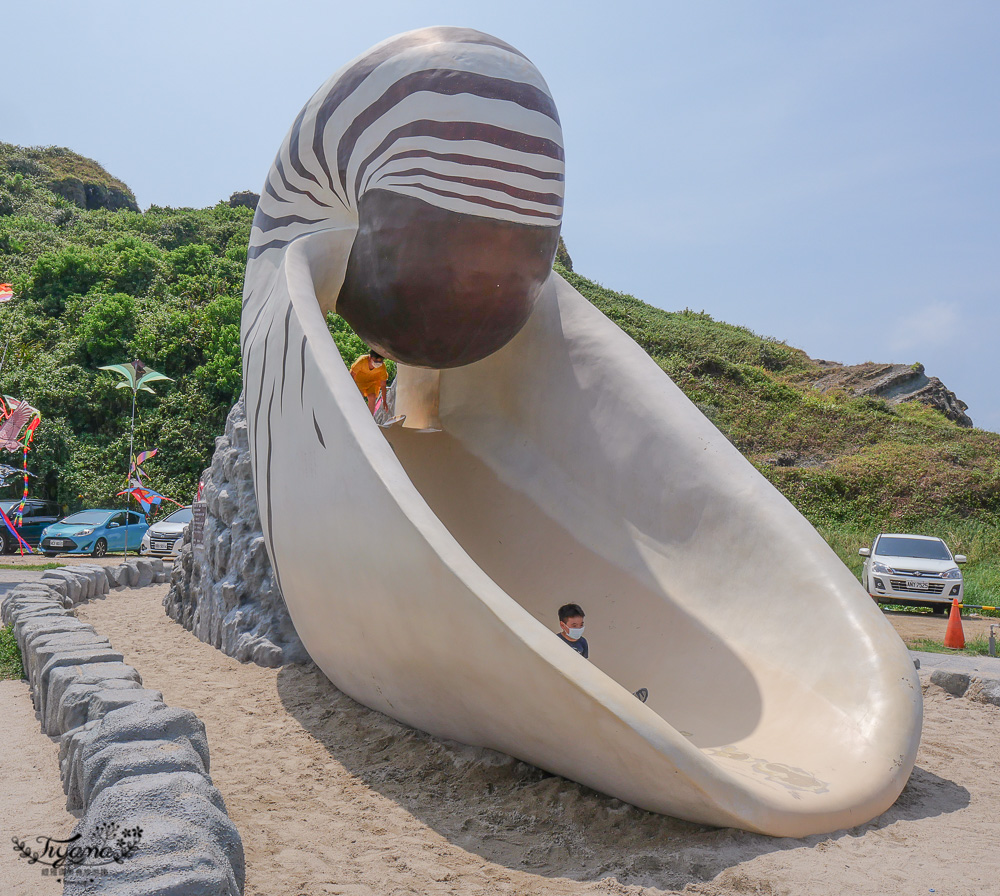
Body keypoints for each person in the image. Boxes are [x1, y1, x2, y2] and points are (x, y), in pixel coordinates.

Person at [555, 602, 648, 703]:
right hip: (564, 679)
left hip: (580, 676)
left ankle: (628, 701)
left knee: (603, 683)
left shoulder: (582, 642)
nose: (578, 629)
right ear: (563, 625)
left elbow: (584, 663)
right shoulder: (556, 640)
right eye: (574, 625)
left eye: (581, 625)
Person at [349, 349, 389, 416]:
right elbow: (352, 374)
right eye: (375, 361)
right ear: (370, 358)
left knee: (372, 397)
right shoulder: (362, 361)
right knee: (359, 396)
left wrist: (384, 401)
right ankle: (356, 415)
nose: (377, 364)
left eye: (380, 362)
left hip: (373, 382)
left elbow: (383, 384)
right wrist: (350, 388)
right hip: (359, 381)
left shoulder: (382, 367)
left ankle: (370, 417)